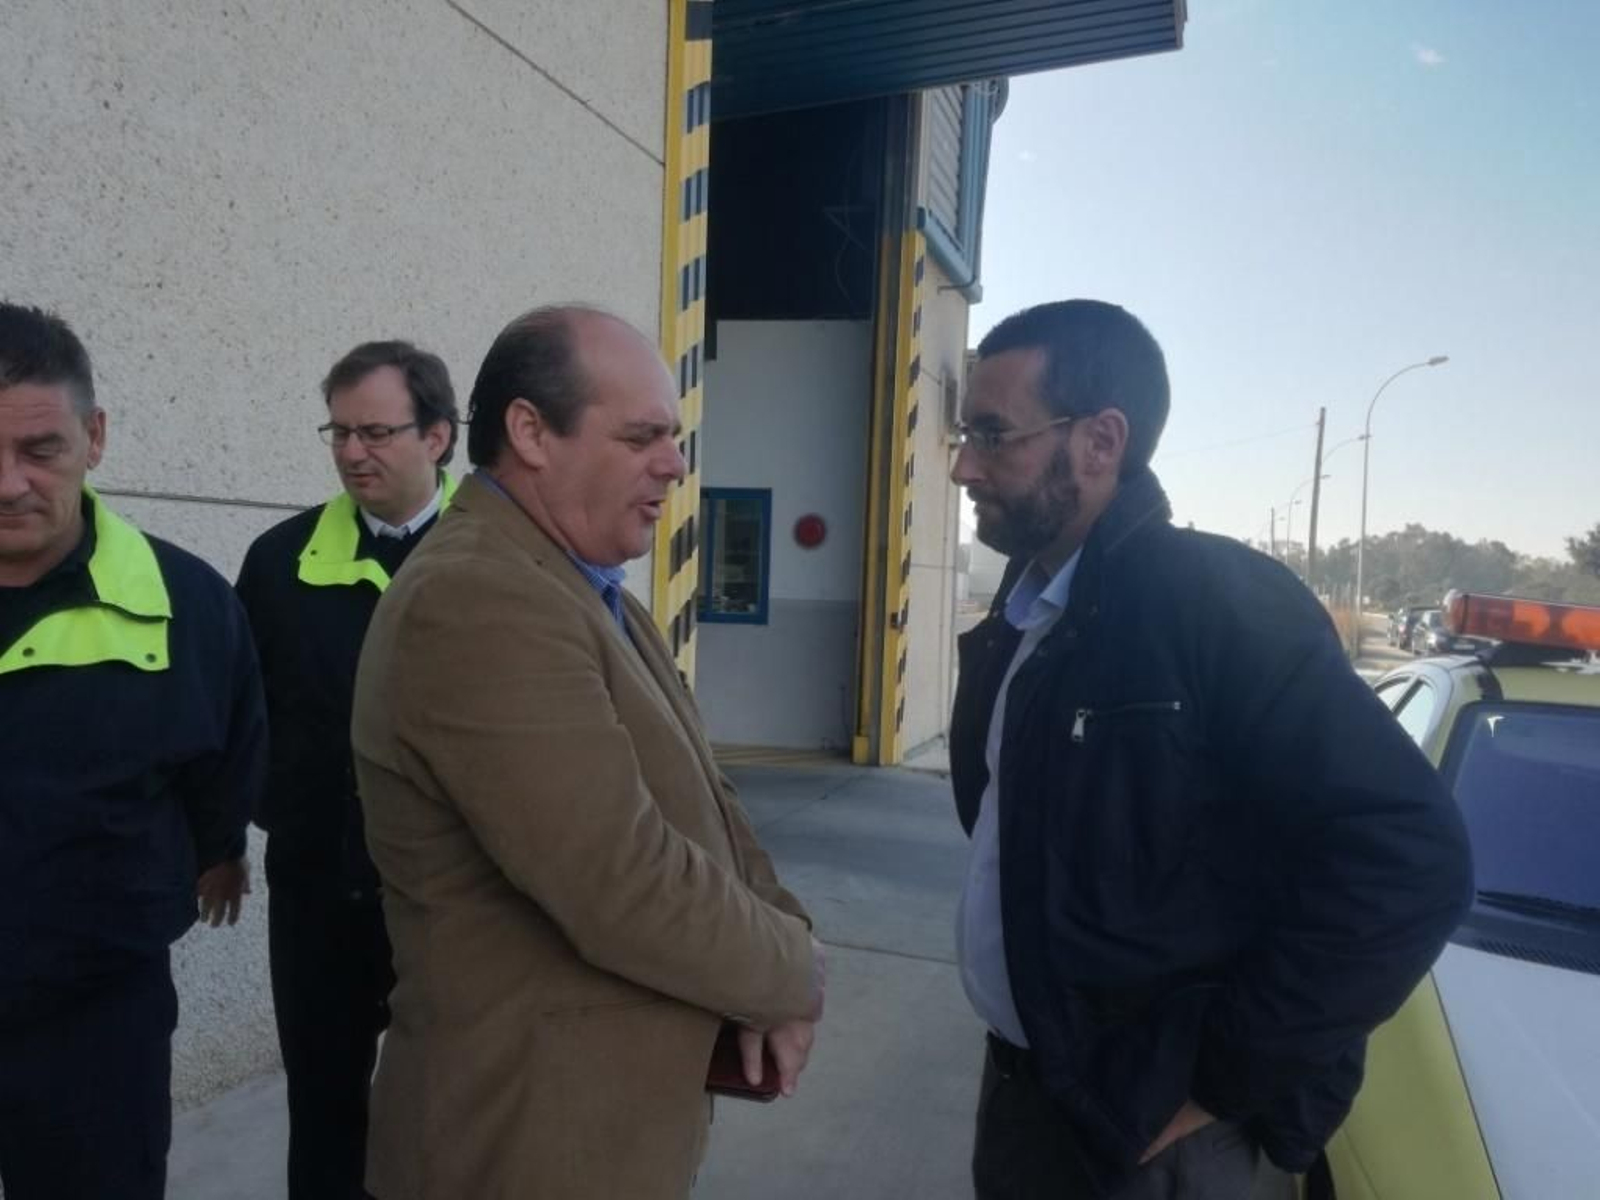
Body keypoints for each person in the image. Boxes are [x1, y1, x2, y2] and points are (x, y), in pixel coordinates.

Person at [947, 299, 1473, 1200]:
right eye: (966, 435)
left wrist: (1218, 1081)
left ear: (1101, 442)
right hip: (1035, 1100)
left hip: (1166, 1145)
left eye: (994, 435)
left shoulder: (1219, 604)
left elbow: (1411, 859)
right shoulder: (1026, 615)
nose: (965, 464)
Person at [351, 305, 824, 1200]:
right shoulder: (478, 599)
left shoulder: (587, 591)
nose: (676, 465)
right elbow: (621, 879)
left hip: (595, 1139)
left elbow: (711, 803)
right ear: (530, 431)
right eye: (643, 436)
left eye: (673, 438)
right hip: (522, 1149)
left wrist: (784, 933)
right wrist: (793, 975)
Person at [0, 302, 264, 1199]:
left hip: (97, 1021)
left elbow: (225, 770)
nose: (8, 484)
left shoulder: (187, 606)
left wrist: (219, 851)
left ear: (96, 436)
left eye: (41, 450)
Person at [234, 340, 460, 1199]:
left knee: (443, 1105)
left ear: (438, 436)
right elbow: (240, 710)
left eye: (375, 432)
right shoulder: (278, 562)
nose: (352, 452)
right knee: (324, 1105)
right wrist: (249, 821)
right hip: (316, 890)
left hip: (448, 899)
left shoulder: (501, 561)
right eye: (338, 432)